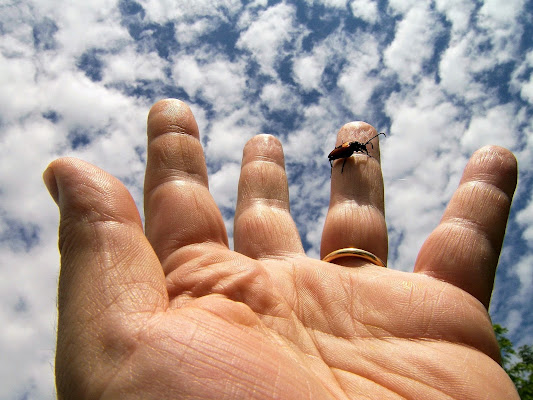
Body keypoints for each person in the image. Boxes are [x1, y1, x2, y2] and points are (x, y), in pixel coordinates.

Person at [44, 99, 519, 399]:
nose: (357, 151)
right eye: (357, 150)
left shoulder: (356, 149)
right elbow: (353, 154)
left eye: (357, 150)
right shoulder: (353, 150)